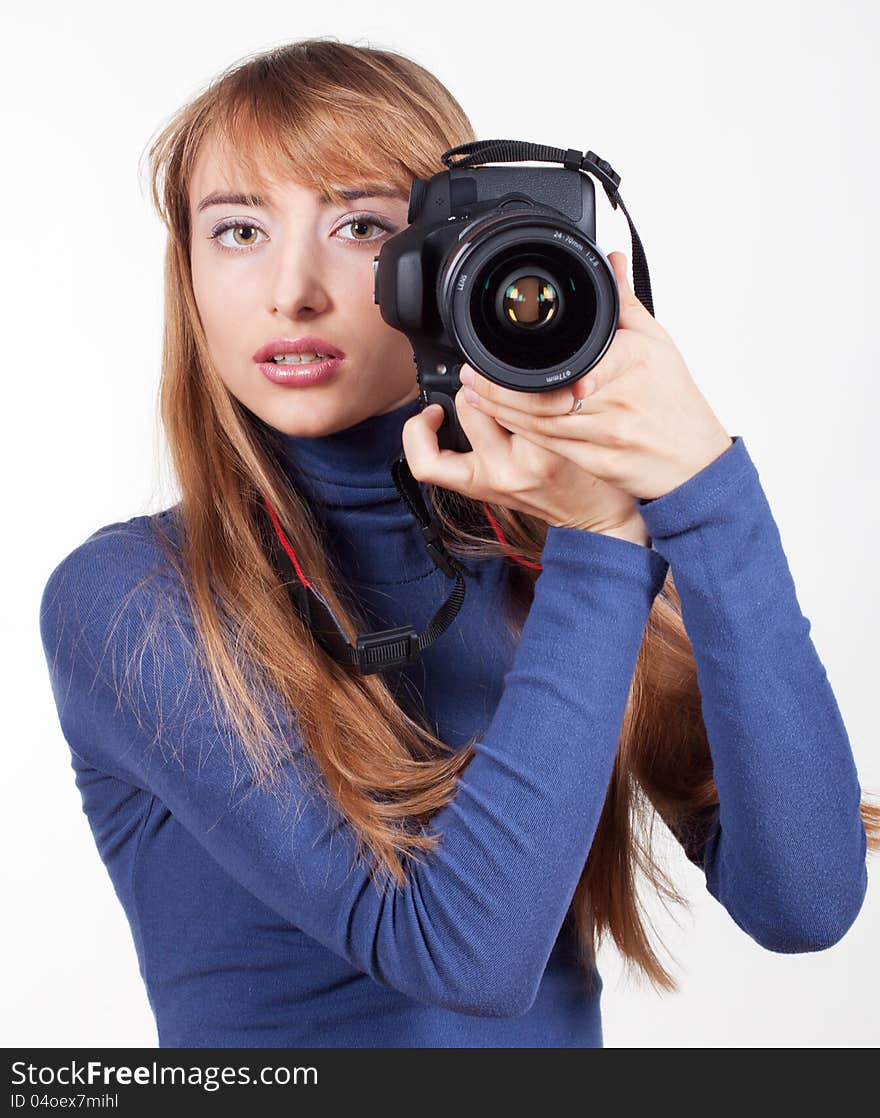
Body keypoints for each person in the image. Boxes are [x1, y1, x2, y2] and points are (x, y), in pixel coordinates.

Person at [39, 37, 878, 1049]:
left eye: (358, 225)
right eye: (238, 230)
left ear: (446, 266)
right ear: (189, 274)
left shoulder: (560, 560)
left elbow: (807, 898)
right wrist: (602, 541)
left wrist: (704, 488)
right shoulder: (133, 595)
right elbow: (460, 953)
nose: (290, 290)